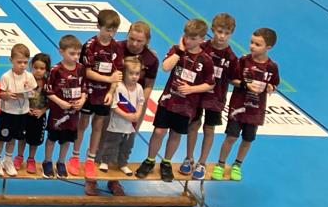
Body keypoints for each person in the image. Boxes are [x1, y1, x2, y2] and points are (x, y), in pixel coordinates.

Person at [135, 17, 216, 182]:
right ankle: (149, 160)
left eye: (193, 38)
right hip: (168, 100)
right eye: (186, 36)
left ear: (202, 39)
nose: (188, 41)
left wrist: (192, 89)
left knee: (175, 134)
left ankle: (166, 162)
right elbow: (166, 67)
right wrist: (179, 52)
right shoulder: (176, 50)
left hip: (187, 106)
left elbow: (210, 84)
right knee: (158, 131)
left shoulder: (206, 60)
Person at [214, 26, 279, 181]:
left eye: (257, 44)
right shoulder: (243, 61)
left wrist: (271, 87)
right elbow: (232, 79)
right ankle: (220, 164)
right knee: (231, 137)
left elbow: (274, 83)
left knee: (247, 139)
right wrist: (245, 84)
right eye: (251, 42)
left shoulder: (272, 67)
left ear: (268, 47)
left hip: (255, 111)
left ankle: (237, 165)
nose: (252, 46)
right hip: (238, 107)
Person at [191, 12, 238, 180]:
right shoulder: (202, 47)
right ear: (212, 29)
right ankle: (189, 158)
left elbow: (234, 79)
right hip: (196, 95)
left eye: (226, 33)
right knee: (193, 125)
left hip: (216, 99)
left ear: (231, 33)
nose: (222, 36)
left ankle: (202, 162)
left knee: (209, 129)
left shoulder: (231, 57)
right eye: (219, 31)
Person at [92, 56, 147, 196]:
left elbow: (141, 102)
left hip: (130, 126)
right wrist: (127, 115)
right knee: (111, 144)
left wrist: (138, 114)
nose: (134, 77)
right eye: (131, 73)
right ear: (124, 73)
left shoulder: (139, 88)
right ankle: (105, 161)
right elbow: (114, 105)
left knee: (126, 147)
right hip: (116, 124)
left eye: (137, 74)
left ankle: (123, 164)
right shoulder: (118, 87)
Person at [79, 8, 124, 178]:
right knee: (82, 124)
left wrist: (111, 91)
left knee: (98, 126)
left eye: (114, 30)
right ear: (98, 26)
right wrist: (108, 79)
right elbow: (87, 72)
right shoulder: (90, 46)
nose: (111, 34)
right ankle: (75, 156)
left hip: (104, 94)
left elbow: (117, 74)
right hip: (89, 91)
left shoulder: (117, 47)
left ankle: (90, 159)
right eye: (108, 30)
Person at [42, 36, 87, 179]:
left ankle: (61, 162)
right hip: (57, 113)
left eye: (78, 54)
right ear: (61, 52)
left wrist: (82, 100)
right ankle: (47, 161)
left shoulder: (81, 69)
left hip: (73, 114)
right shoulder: (56, 70)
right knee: (52, 138)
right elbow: (48, 90)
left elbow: (84, 88)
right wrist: (60, 102)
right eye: (72, 54)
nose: (76, 57)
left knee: (67, 139)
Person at [0, 42, 36, 178]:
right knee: (2, 138)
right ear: (11, 60)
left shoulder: (29, 76)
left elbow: (34, 94)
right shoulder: (6, 76)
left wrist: (27, 91)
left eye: (25, 62)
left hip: (22, 113)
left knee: (13, 138)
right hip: (8, 113)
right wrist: (5, 95)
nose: (22, 65)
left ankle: (8, 160)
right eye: (19, 62)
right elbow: (0, 94)